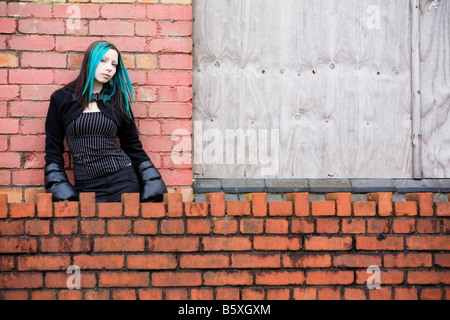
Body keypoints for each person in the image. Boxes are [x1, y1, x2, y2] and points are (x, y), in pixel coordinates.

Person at [44, 41, 167, 203]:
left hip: (123, 180)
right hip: (87, 187)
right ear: (90, 61)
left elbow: (132, 145)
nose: (109, 68)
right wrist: (59, 186)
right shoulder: (62, 99)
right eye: (103, 60)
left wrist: (152, 180)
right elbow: (53, 149)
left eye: (114, 64)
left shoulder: (118, 100)